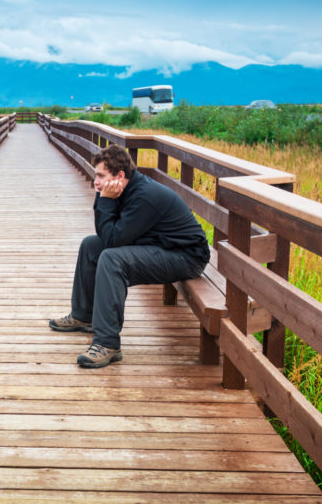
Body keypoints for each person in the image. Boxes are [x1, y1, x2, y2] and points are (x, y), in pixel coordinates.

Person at [50, 145, 210, 368]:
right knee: (90, 245)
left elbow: (113, 241)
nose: (96, 181)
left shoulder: (144, 197)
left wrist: (105, 200)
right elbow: (105, 235)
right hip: (160, 245)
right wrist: (104, 198)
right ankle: (84, 315)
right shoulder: (125, 189)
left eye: (101, 175)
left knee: (112, 259)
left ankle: (107, 344)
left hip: (186, 256)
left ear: (120, 176)